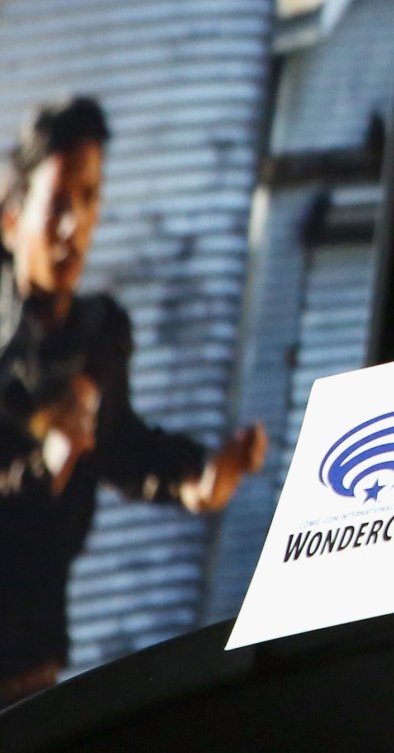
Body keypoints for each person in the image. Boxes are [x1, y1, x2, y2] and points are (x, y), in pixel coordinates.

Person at [0, 97, 267, 702]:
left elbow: (119, 446)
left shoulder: (94, 337)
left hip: (31, 667)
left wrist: (194, 477)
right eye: (59, 203)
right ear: (12, 220)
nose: (76, 226)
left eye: (90, 199)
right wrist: (50, 463)